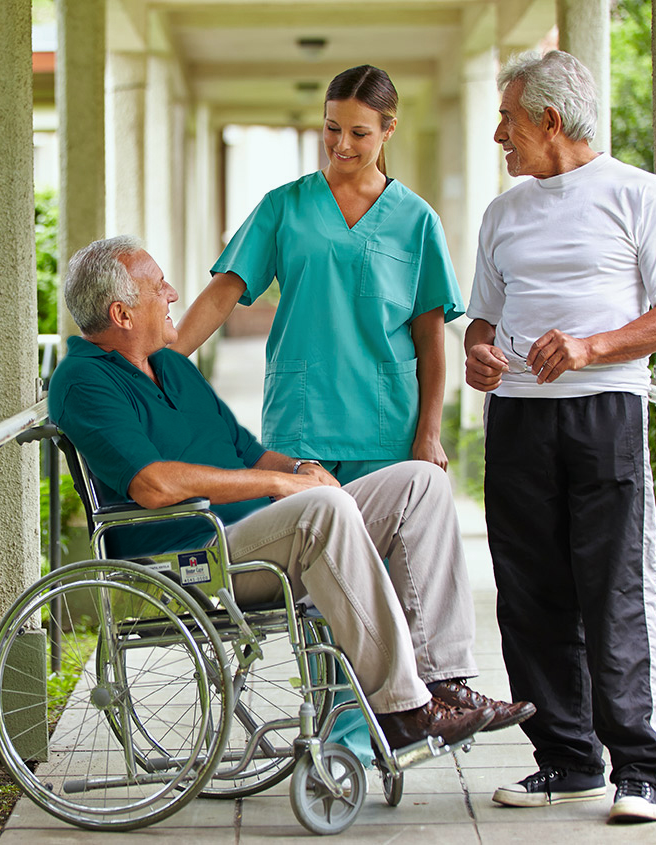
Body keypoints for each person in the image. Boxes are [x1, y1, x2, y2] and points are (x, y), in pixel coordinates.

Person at [49, 236, 534, 755]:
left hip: (263, 536)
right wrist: (284, 486)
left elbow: (248, 453)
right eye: (157, 286)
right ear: (122, 314)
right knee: (320, 509)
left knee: (422, 482)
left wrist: (301, 468)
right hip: (193, 557)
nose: (172, 293)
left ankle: (442, 684)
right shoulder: (83, 381)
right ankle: (403, 711)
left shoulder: (170, 366)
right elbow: (153, 484)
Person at [170, 64, 484, 759]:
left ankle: (387, 727)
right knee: (316, 592)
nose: (341, 144)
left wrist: (429, 432)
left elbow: (432, 338)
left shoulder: (414, 219)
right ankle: (338, 739)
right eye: (331, 128)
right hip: (303, 430)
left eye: (359, 133)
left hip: (387, 427)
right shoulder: (285, 206)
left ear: (388, 130)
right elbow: (225, 293)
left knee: (388, 591)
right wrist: (165, 354)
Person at [464, 50, 656, 824]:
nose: (500, 133)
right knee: (529, 592)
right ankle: (566, 760)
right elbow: (484, 322)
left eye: (507, 118)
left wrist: (591, 346)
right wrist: (478, 354)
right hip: (519, 417)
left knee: (613, 589)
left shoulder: (639, 193)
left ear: (548, 120)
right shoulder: (503, 213)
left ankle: (641, 768)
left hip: (605, 413)